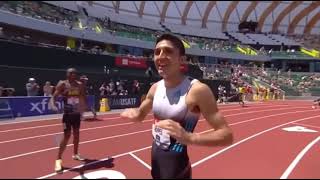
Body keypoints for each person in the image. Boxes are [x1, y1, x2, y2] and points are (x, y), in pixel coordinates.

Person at [121, 34, 233, 179]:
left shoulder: (197, 90)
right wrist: (134, 114)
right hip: (156, 167)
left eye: (168, 51)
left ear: (182, 59)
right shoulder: (155, 88)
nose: (160, 56)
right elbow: (141, 114)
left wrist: (190, 138)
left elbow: (226, 135)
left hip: (178, 172)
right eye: (157, 52)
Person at [50, 68, 86, 173]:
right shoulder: (62, 84)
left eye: (74, 72)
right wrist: (53, 105)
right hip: (67, 115)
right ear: (67, 74)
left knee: (77, 134)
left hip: (76, 114)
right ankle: (58, 159)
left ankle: (75, 154)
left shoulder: (80, 84)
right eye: (70, 72)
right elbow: (53, 97)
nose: (72, 74)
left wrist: (82, 110)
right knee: (67, 136)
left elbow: (83, 97)